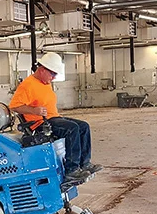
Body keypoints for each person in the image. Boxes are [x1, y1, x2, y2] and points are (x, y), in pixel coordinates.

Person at [9, 52, 102, 184]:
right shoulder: (27, 85)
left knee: (83, 126)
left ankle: (85, 163)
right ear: (42, 69)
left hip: (53, 118)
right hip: (40, 123)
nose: (54, 77)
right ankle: (72, 170)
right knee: (72, 129)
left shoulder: (45, 82)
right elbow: (15, 106)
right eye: (52, 73)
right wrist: (33, 110)